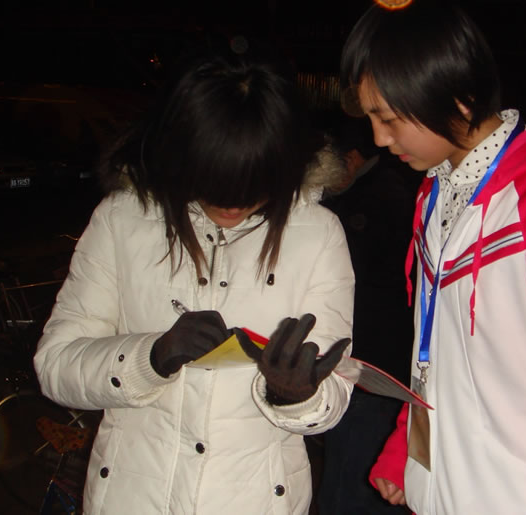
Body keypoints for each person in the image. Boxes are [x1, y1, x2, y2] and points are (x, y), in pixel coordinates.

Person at [33, 38, 355, 514]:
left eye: (255, 186)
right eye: (212, 181)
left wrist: (296, 395)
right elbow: (55, 367)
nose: (232, 204)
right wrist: (151, 356)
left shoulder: (318, 233)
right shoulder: (122, 219)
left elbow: (336, 392)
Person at [340, 1, 526, 514]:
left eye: (389, 118)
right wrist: (408, 445)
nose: (378, 139)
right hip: (447, 493)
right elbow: (433, 349)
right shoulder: (433, 196)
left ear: (458, 98)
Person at [315, 117, 420, 515]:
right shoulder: (384, 191)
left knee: (353, 483)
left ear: (353, 158)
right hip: (376, 365)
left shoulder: (376, 200)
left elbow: (363, 281)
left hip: (373, 368)